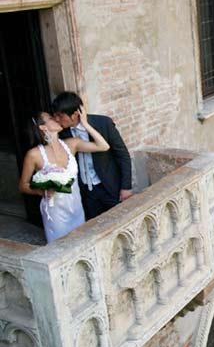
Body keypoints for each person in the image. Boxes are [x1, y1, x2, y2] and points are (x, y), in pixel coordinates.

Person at [19, 108, 111, 243]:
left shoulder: (72, 144)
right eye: (50, 118)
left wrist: (85, 124)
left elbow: (103, 146)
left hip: (76, 206)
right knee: (60, 247)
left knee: (81, 243)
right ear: (43, 127)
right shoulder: (34, 154)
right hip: (55, 212)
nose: (56, 118)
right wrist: (41, 190)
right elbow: (23, 185)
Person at [51, 92, 132, 220]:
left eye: (60, 116)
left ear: (75, 114)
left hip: (109, 187)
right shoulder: (62, 133)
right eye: (55, 116)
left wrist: (126, 187)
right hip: (86, 193)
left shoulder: (103, 123)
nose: (57, 120)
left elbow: (122, 155)